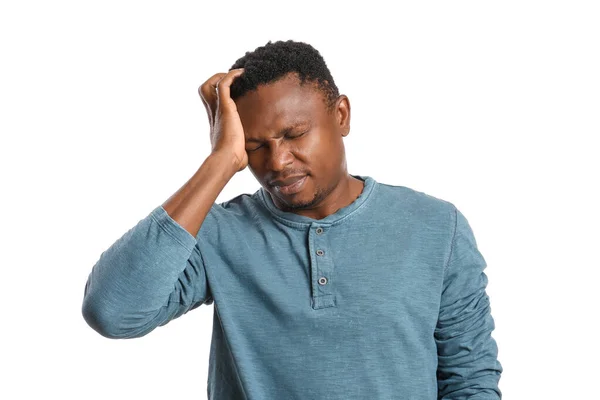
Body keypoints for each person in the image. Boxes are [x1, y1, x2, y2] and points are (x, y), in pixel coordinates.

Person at [81, 39, 503, 399]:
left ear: (341, 116)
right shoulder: (217, 234)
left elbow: (470, 380)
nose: (278, 162)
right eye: (253, 146)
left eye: (294, 135)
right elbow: (113, 313)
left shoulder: (435, 227)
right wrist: (218, 164)